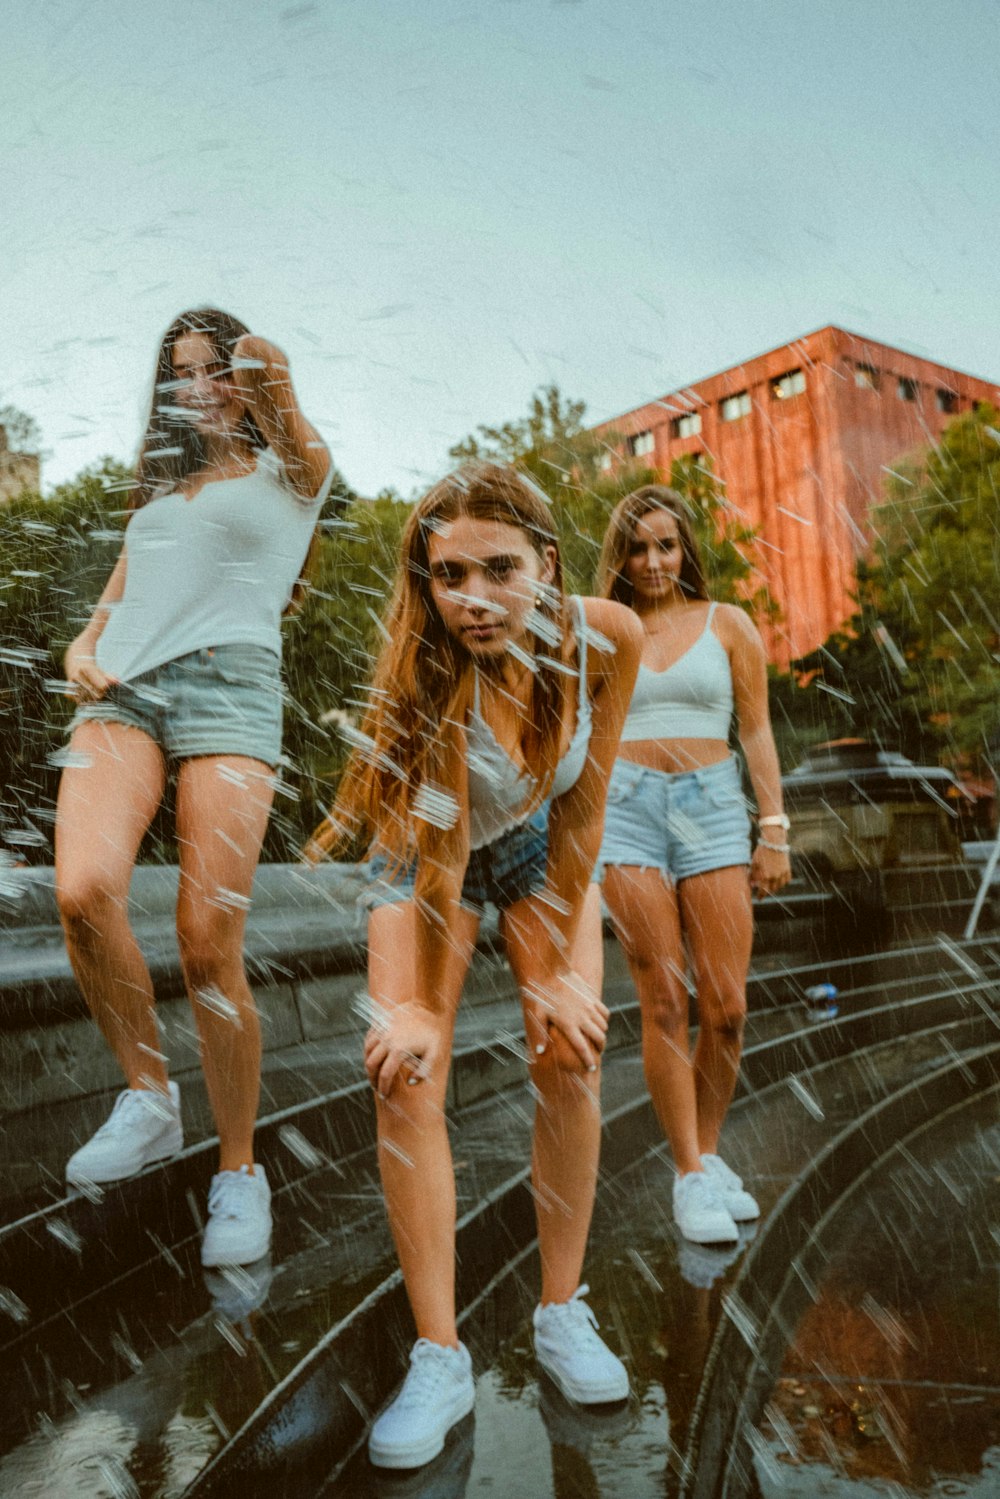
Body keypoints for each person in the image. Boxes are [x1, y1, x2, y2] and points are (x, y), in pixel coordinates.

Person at [309, 462, 642, 1470]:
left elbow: (583, 811)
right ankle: (439, 1351)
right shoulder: (426, 681)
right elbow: (436, 862)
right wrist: (415, 1011)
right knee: (406, 1072)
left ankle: (561, 1308)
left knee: (572, 1052)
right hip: (421, 854)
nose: (472, 598)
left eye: (499, 568)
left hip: (539, 837)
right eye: (449, 574)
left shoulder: (604, 639)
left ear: (547, 560)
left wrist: (563, 977)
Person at [55, 307, 334, 1267]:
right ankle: (150, 1095)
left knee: (208, 942)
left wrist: (246, 359)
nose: (200, 388)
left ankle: (241, 1170)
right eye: (180, 374)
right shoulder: (158, 489)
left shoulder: (292, 470)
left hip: (230, 688)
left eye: (215, 370)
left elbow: (275, 369)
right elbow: (118, 597)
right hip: (126, 693)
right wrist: (84, 647)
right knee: (82, 890)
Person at [595, 485, 791, 1246]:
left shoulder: (727, 624)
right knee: (663, 1000)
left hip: (713, 806)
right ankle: (686, 1172)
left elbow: (757, 729)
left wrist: (771, 828)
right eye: (637, 547)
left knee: (728, 1004)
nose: (651, 561)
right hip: (628, 810)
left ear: (686, 550)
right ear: (621, 554)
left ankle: (706, 1154)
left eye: (666, 545)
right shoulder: (606, 628)